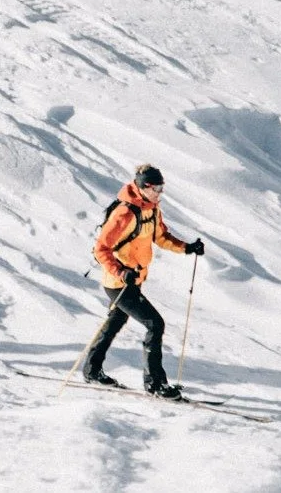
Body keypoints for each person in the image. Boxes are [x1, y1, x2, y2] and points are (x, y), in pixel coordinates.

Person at [84, 163, 205, 399]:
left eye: (162, 188)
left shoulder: (152, 209)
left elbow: (161, 237)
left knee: (116, 321)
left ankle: (92, 370)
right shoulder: (125, 213)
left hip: (134, 279)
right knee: (155, 324)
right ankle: (155, 384)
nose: (160, 193)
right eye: (156, 188)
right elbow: (101, 249)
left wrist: (187, 248)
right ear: (143, 187)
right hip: (118, 282)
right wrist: (120, 271)